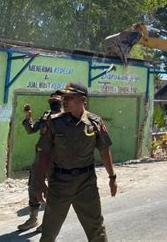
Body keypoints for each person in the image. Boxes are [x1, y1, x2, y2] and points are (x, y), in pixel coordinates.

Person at [36, 83, 117, 242]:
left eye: (70, 97)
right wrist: (40, 182)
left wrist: (112, 177)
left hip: (86, 182)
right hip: (60, 182)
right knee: (49, 232)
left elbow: (104, 150)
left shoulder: (94, 122)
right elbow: (44, 153)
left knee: (96, 229)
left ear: (83, 99)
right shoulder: (54, 122)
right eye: (64, 97)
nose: (64, 101)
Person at [17, 92, 62, 232]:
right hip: (40, 157)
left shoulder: (67, 119)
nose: (54, 101)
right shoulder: (45, 115)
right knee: (33, 185)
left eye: (57, 99)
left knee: (52, 190)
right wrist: (28, 117)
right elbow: (31, 130)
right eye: (52, 99)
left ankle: (49, 221)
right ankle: (33, 218)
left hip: (55, 159)